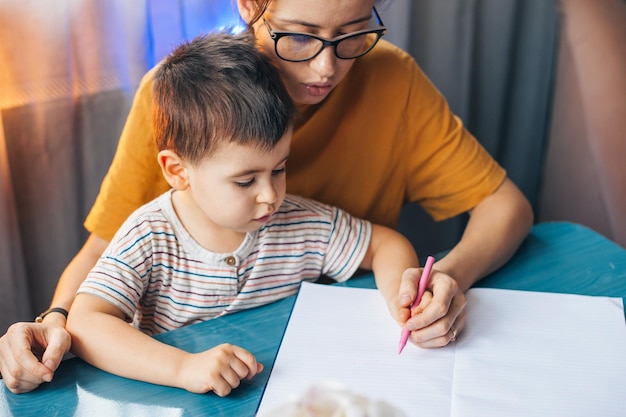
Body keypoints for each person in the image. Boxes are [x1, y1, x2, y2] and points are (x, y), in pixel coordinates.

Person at [0, 0, 533, 394]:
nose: (327, 68)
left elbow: (503, 206)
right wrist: (54, 323)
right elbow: (103, 253)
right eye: (300, 36)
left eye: (352, 33)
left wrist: (444, 280)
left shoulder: (389, 85)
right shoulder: (182, 101)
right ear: (252, 7)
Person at [66, 31, 422, 396]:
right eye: (245, 181)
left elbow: (385, 245)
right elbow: (86, 324)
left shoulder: (300, 224)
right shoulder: (149, 235)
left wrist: (403, 298)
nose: (270, 195)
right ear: (177, 171)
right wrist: (183, 367)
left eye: (279, 169)